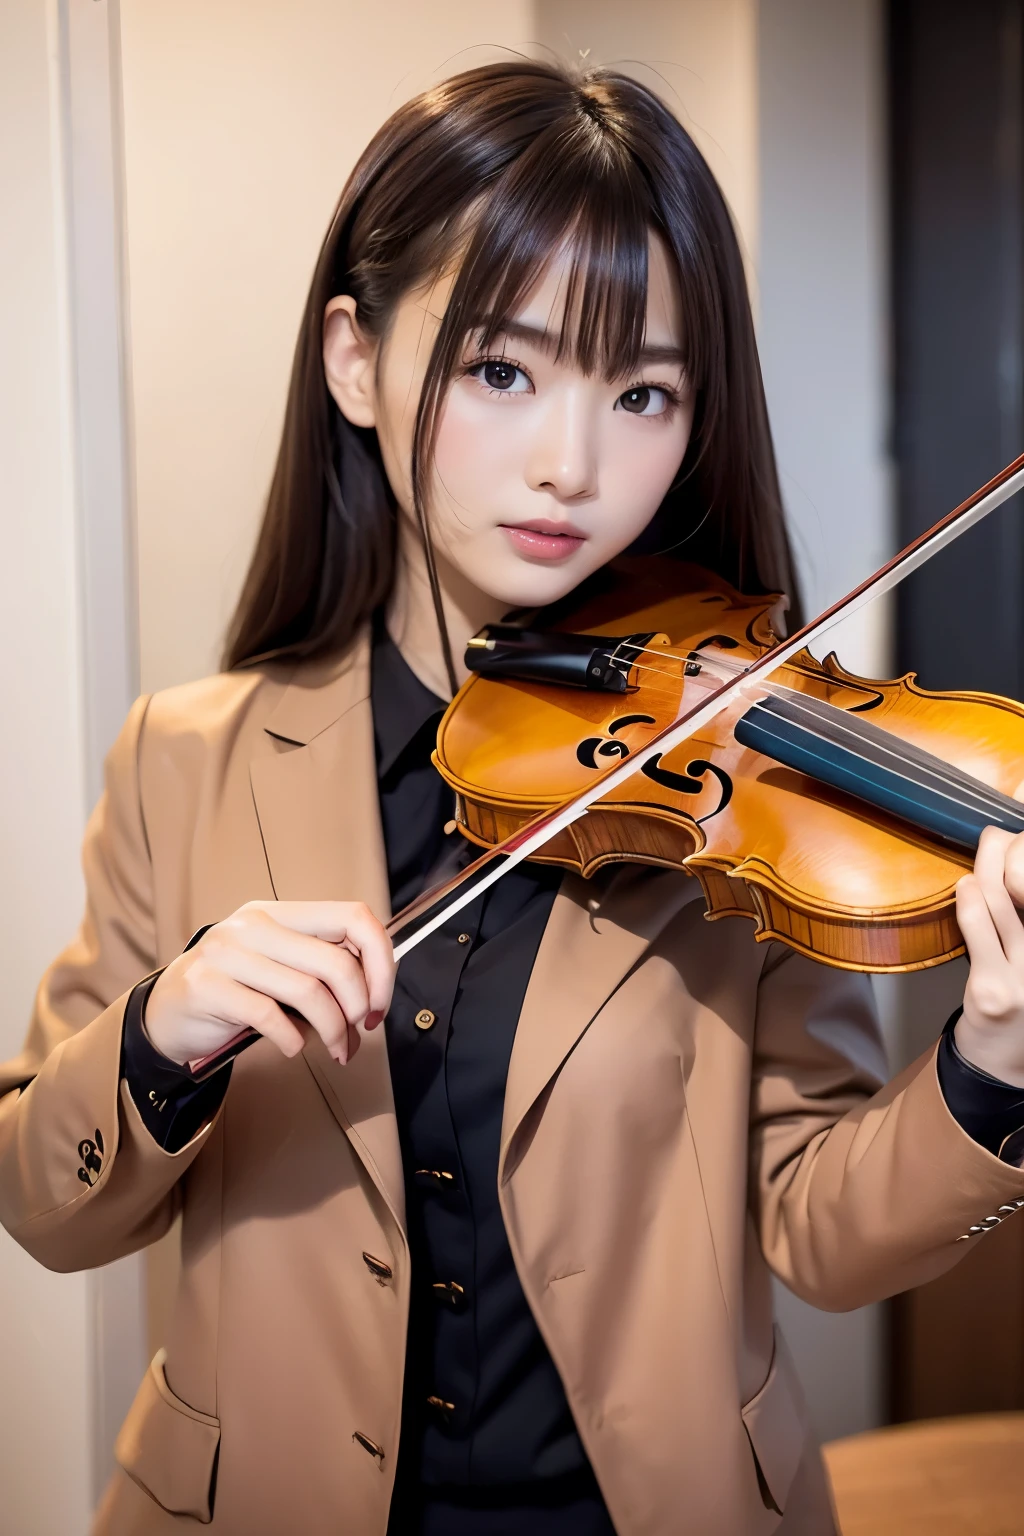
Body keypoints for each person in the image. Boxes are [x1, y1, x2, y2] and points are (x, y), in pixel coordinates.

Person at [4, 59, 1024, 1536]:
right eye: (502, 370)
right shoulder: (188, 758)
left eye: (644, 391)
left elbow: (820, 1231)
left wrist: (991, 1060)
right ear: (356, 361)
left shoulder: (746, 777)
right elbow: (48, 1202)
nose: (573, 463)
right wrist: (165, 1029)